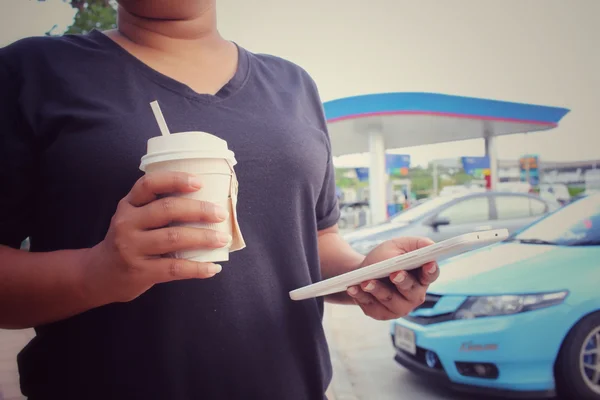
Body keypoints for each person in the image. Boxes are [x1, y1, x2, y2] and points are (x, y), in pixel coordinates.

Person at [0, 1, 440, 399]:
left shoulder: (293, 86)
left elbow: (316, 240)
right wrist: (95, 272)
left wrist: (369, 274)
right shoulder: (32, 72)